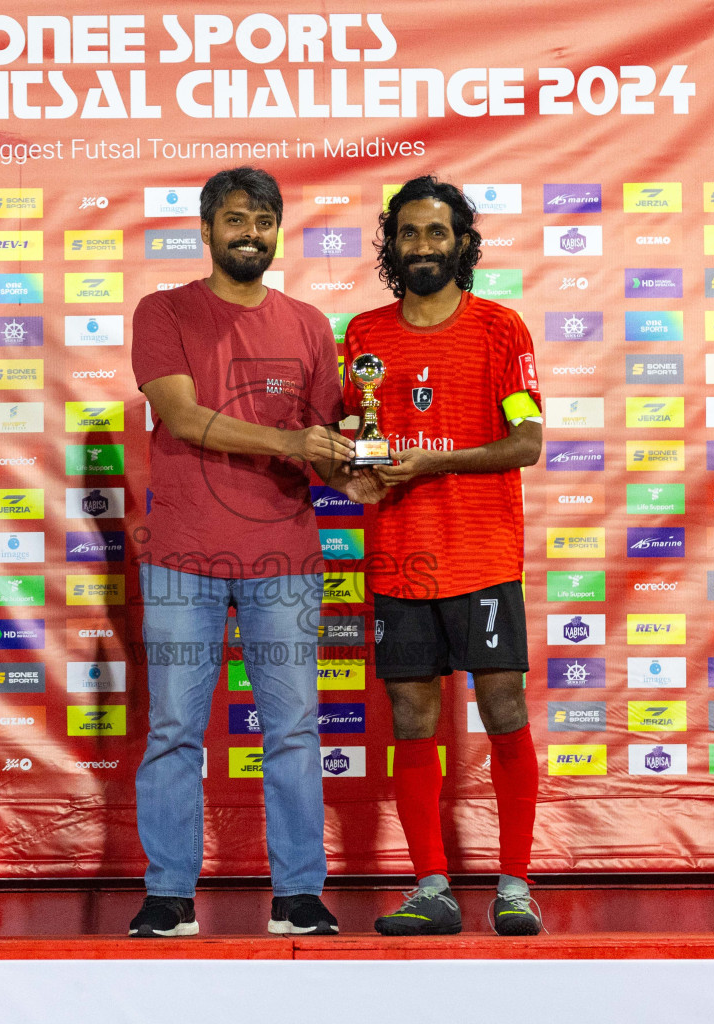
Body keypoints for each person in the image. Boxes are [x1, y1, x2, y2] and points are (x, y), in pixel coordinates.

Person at [128, 167, 353, 937]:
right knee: (173, 732)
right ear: (206, 229)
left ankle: (297, 892)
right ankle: (168, 894)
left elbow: (325, 455)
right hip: (182, 559)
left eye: (262, 221)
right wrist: (291, 440)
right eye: (234, 220)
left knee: (292, 732)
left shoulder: (313, 325)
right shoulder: (164, 311)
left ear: (278, 231)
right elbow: (183, 418)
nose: (249, 233)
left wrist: (368, 472)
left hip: (284, 560)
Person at [342, 175, 545, 936]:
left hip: (484, 557)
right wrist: (358, 472)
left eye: (436, 232)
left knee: (504, 710)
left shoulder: (501, 329)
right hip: (400, 557)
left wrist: (432, 463)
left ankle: (516, 884)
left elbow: (526, 442)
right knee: (413, 719)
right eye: (408, 234)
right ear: (390, 245)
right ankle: (431, 886)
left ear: (463, 241)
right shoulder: (363, 336)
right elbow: (363, 442)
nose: (422, 246)